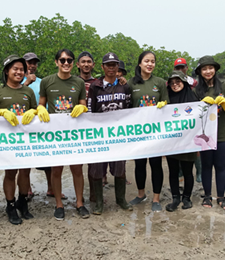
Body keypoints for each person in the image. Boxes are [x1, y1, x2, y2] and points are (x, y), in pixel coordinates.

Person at [38, 49, 90, 220]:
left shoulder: (79, 82)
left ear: (73, 63)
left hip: (74, 133)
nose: (66, 63)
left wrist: (82, 107)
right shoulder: (47, 81)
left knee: (77, 168)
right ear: (56, 62)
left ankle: (79, 203)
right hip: (55, 134)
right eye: (62, 60)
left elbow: (83, 104)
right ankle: (59, 204)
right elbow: (41, 103)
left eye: (69, 60)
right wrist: (39, 109)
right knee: (56, 169)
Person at [0, 55, 39, 225]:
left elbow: (34, 111)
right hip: (7, 140)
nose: (19, 72)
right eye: (15, 69)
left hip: (25, 138)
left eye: (21, 69)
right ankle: (10, 205)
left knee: (25, 171)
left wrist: (36, 111)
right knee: (11, 172)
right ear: (7, 71)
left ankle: (23, 202)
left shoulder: (28, 91)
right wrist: (1, 112)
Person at [85, 52, 133, 215]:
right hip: (100, 136)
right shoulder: (95, 86)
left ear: (118, 67)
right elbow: (90, 110)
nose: (111, 68)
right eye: (108, 65)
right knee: (97, 169)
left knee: (120, 169)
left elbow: (129, 109)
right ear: (103, 67)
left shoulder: (124, 86)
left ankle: (121, 200)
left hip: (118, 136)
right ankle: (99, 203)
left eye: (114, 65)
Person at [127, 51, 168, 212]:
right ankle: (140, 194)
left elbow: (167, 104)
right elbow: (126, 107)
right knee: (139, 165)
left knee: (156, 164)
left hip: (156, 132)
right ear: (140, 63)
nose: (150, 64)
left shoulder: (159, 82)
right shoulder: (131, 83)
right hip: (138, 132)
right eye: (146, 61)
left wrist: (164, 104)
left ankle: (156, 198)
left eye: (152, 61)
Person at [194, 55, 225, 210]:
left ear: (215, 69)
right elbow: (192, 113)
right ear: (200, 71)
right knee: (206, 166)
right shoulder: (197, 90)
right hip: (204, 133)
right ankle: (207, 196)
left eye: (210, 68)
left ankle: (221, 197)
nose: (208, 71)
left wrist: (224, 104)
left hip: (222, 133)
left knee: (220, 166)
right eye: (204, 69)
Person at [164, 71, 198, 212]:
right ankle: (175, 198)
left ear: (184, 82)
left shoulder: (193, 98)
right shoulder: (167, 98)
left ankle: (187, 198)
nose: (175, 85)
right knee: (173, 171)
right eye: (172, 83)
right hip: (171, 141)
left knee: (187, 171)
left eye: (178, 82)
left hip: (188, 141)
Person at [21, 52, 51, 200]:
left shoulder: (42, 82)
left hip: (41, 123)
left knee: (48, 159)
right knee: (25, 159)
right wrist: (25, 83)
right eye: (29, 62)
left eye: (34, 63)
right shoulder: (16, 82)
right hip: (23, 125)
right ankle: (27, 189)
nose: (32, 65)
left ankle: (51, 188)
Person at [174, 57, 203, 183]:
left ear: (186, 68)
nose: (181, 69)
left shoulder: (194, 83)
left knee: (195, 147)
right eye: (178, 68)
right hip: (177, 118)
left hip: (191, 115)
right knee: (178, 145)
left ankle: (199, 172)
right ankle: (180, 171)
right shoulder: (170, 82)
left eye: (183, 67)